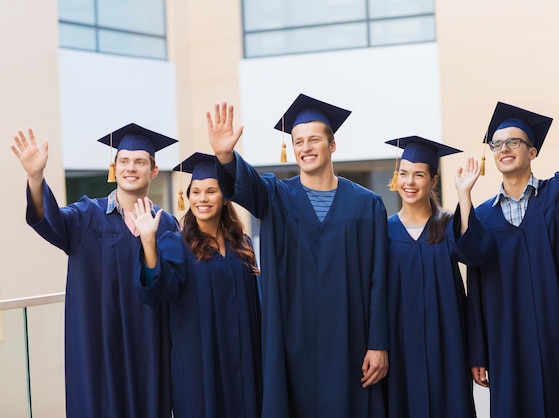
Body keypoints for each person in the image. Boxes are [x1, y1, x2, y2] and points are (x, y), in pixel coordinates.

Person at [207, 95, 389, 418]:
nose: (305, 147)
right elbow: (245, 183)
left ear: (332, 146)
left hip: (350, 341)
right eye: (298, 141)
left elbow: (379, 278)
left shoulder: (367, 205)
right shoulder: (277, 196)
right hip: (293, 343)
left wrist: (378, 343)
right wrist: (225, 156)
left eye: (314, 139)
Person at [467, 67, 559, 418]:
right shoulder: (484, 218)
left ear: (532, 152)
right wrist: (479, 351)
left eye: (514, 142)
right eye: (498, 144)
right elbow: (476, 286)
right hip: (510, 343)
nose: (505, 148)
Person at [10, 123, 179, 418]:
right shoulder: (86, 216)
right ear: (113, 168)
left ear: (153, 171)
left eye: (140, 161)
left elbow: (175, 286)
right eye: (124, 161)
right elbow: (49, 221)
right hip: (99, 348)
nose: (131, 168)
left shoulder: (167, 225)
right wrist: (36, 178)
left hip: (150, 350)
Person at [131, 152, 262, 418]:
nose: (202, 198)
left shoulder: (243, 245)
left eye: (211, 191)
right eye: (196, 191)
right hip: (200, 360)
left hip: (243, 359)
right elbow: (157, 289)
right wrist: (147, 241)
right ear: (188, 197)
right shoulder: (175, 243)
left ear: (225, 197)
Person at [384, 136, 489, 418]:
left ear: (432, 181)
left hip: (449, 347)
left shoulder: (448, 225)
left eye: (419, 175)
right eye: (404, 174)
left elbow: (476, 254)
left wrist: (464, 195)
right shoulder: (384, 231)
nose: (410, 182)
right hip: (400, 349)